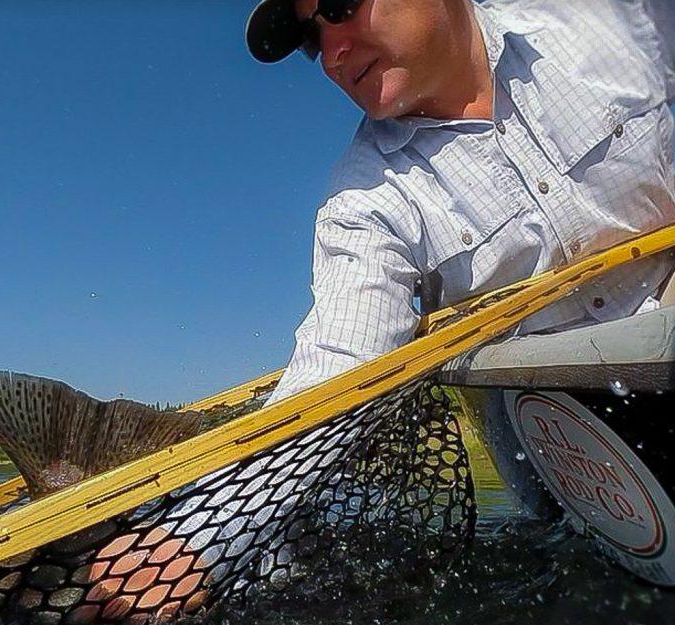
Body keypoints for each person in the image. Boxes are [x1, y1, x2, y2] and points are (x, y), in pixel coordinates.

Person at [245, 0, 675, 404]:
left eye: (340, 5)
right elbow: (333, 372)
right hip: (563, 422)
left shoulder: (607, 17)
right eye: (311, 39)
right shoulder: (360, 206)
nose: (331, 55)